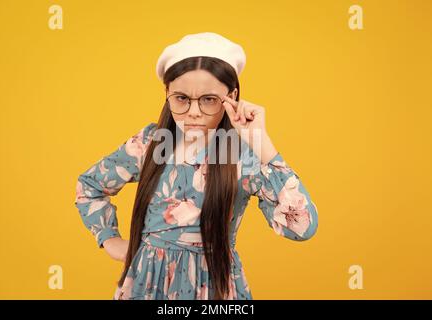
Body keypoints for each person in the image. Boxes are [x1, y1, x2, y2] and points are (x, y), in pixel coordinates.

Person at [74, 32, 319, 300]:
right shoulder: (149, 143)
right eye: (181, 98)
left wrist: (261, 142)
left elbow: (302, 228)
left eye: (209, 99)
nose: (193, 111)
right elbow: (90, 185)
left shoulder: (243, 156)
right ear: (167, 93)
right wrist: (109, 238)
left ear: (232, 96)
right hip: (147, 285)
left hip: (213, 284)